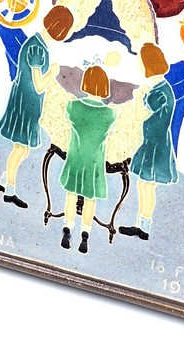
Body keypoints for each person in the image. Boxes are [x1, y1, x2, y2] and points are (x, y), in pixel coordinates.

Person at [0, 5, 74, 208]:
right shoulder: (38, 49)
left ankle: (4, 180)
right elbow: (39, 85)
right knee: (20, 148)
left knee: (22, 148)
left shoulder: (36, 43)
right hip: (26, 101)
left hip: (27, 100)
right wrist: (53, 72)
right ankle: (10, 190)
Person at [119, 43, 178, 240]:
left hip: (156, 145)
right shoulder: (160, 88)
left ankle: (144, 226)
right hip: (153, 142)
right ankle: (140, 224)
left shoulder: (159, 91)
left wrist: (138, 96)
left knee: (148, 186)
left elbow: (140, 115)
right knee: (144, 185)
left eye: (140, 62)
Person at [59, 66, 117, 253]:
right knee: (90, 199)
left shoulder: (73, 106)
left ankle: (67, 227)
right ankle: (85, 233)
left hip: (76, 158)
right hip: (94, 163)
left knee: (71, 194)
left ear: (85, 83)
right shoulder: (110, 114)